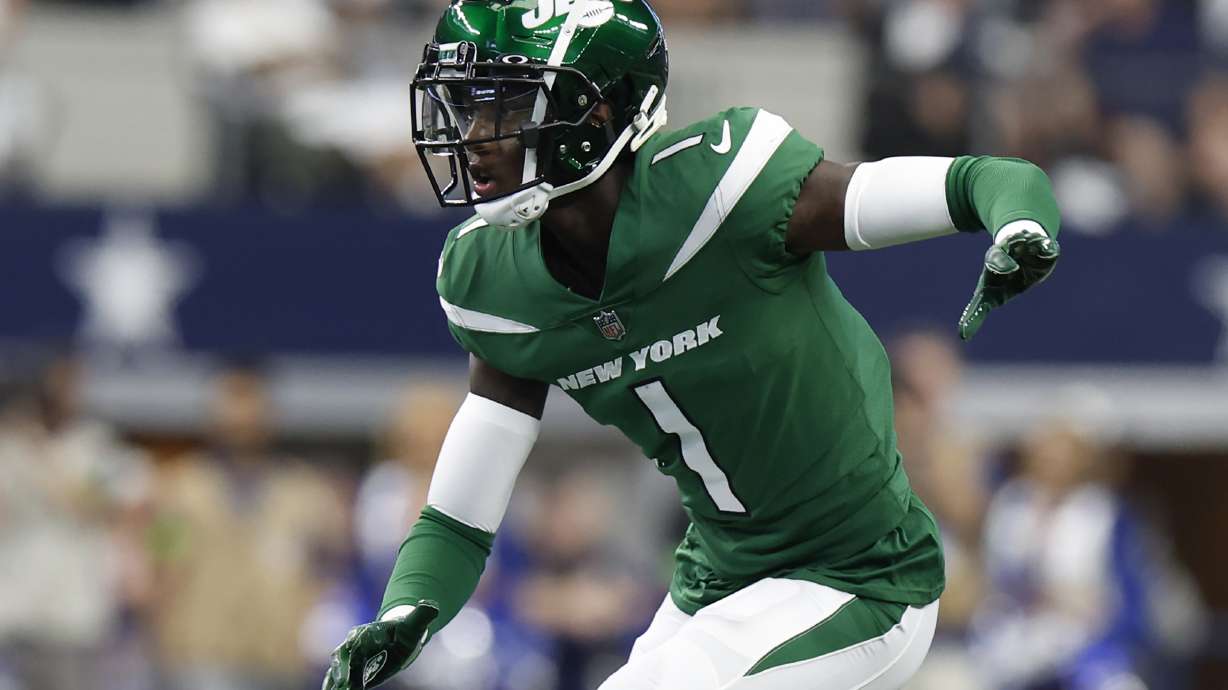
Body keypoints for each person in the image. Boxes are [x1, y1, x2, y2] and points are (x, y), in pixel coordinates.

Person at [323, 1, 1062, 688]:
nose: (477, 135)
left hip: (859, 576)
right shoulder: (494, 281)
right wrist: (406, 611)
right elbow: (460, 514)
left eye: (508, 104)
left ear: (599, 110)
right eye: (469, 105)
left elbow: (983, 179)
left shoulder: (721, 191)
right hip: (717, 579)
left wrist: (1020, 224)